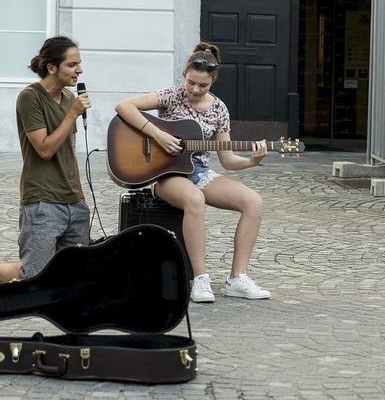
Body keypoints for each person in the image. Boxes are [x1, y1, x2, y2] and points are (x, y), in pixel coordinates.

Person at [114, 42, 270, 303]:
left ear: (213, 81)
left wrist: (253, 161)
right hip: (166, 173)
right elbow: (123, 106)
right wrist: (158, 135)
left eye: (203, 85)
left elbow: (228, 159)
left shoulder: (219, 109)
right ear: (185, 75)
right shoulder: (172, 95)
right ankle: (200, 278)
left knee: (253, 202)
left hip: (199, 172)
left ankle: (237, 278)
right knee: (194, 200)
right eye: (191, 83)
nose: (195, 90)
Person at [0, 36, 91, 285]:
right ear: (52, 67)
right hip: (43, 201)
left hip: (73, 202)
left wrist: (80, 197)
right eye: (72, 64)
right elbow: (44, 149)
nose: (80, 70)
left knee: (72, 273)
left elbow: (68, 151)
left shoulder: (67, 98)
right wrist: (73, 114)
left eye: (80, 63)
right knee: (33, 278)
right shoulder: (30, 97)